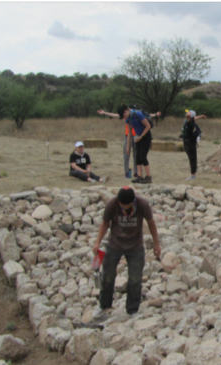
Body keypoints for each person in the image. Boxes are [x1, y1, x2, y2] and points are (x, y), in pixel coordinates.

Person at [92, 187, 160, 319]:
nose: (123, 206)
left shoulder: (142, 204)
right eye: (121, 204)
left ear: (132, 201)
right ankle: (103, 305)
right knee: (107, 275)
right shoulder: (112, 204)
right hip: (114, 244)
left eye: (126, 205)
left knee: (135, 278)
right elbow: (105, 223)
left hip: (135, 246)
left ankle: (132, 310)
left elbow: (151, 223)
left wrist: (156, 243)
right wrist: (97, 242)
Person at [97, 107, 161, 179]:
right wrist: (128, 146)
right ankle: (132, 174)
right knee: (133, 156)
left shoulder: (137, 114)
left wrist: (155, 114)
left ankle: (143, 175)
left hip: (140, 136)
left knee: (140, 156)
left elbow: (147, 119)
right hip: (132, 136)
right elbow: (116, 116)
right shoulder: (127, 118)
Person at [181, 110, 206, 181]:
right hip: (190, 142)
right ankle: (193, 174)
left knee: (192, 159)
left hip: (189, 143)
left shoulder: (190, 123)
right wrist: (202, 116)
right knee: (192, 158)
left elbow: (188, 117)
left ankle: (193, 175)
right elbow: (194, 118)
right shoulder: (192, 121)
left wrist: (187, 114)